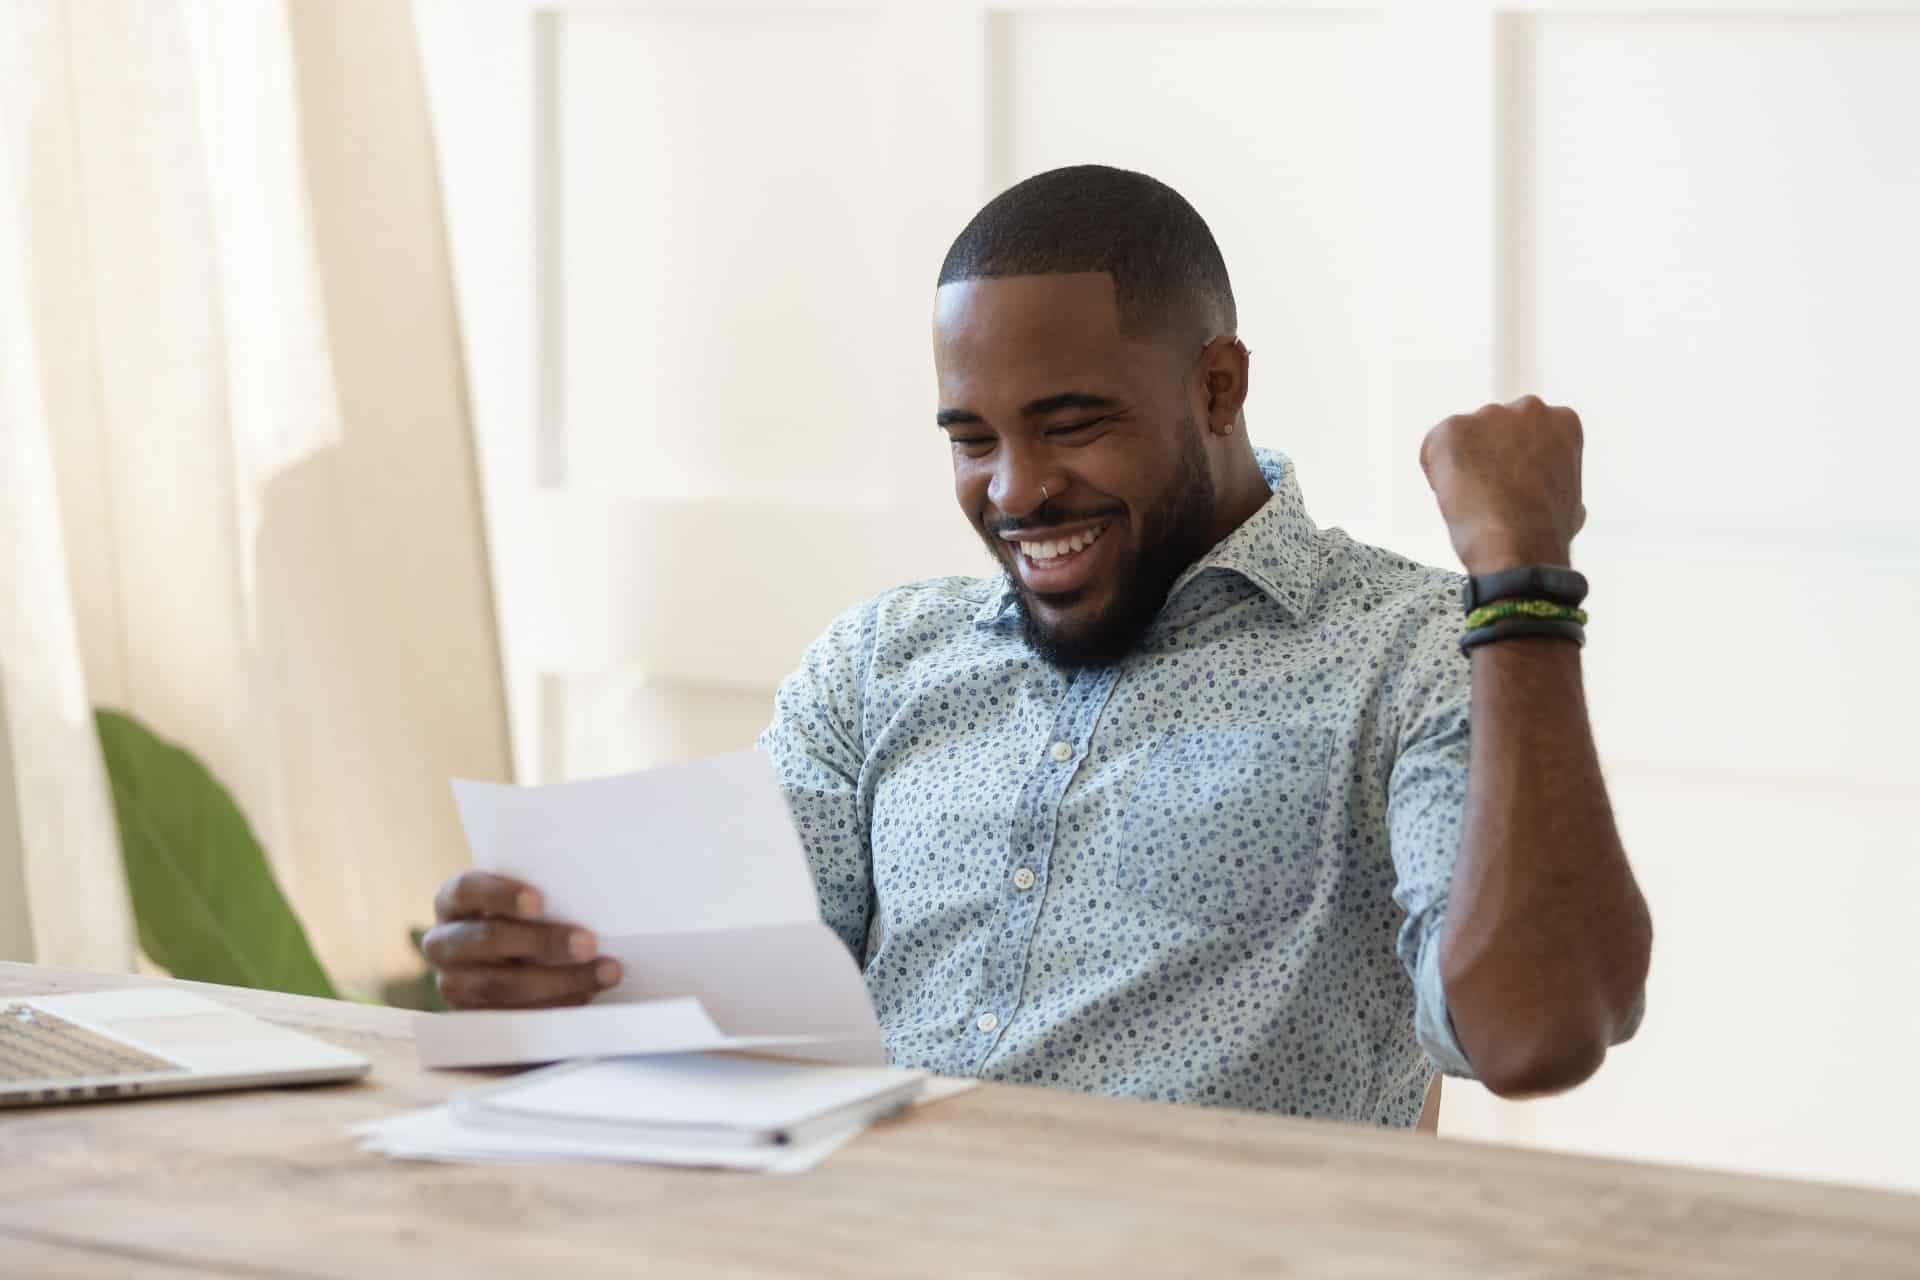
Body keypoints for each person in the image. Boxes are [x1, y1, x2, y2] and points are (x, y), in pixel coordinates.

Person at [424, 165, 1652, 1125]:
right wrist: (558, 975)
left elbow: (1537, 1029)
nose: (1016, 490)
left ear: (1218, 387)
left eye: (1072, 425)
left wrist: (1523, 579)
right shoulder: (878, 662)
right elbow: (739, 990)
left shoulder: (1413, 650)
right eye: (972, 437)